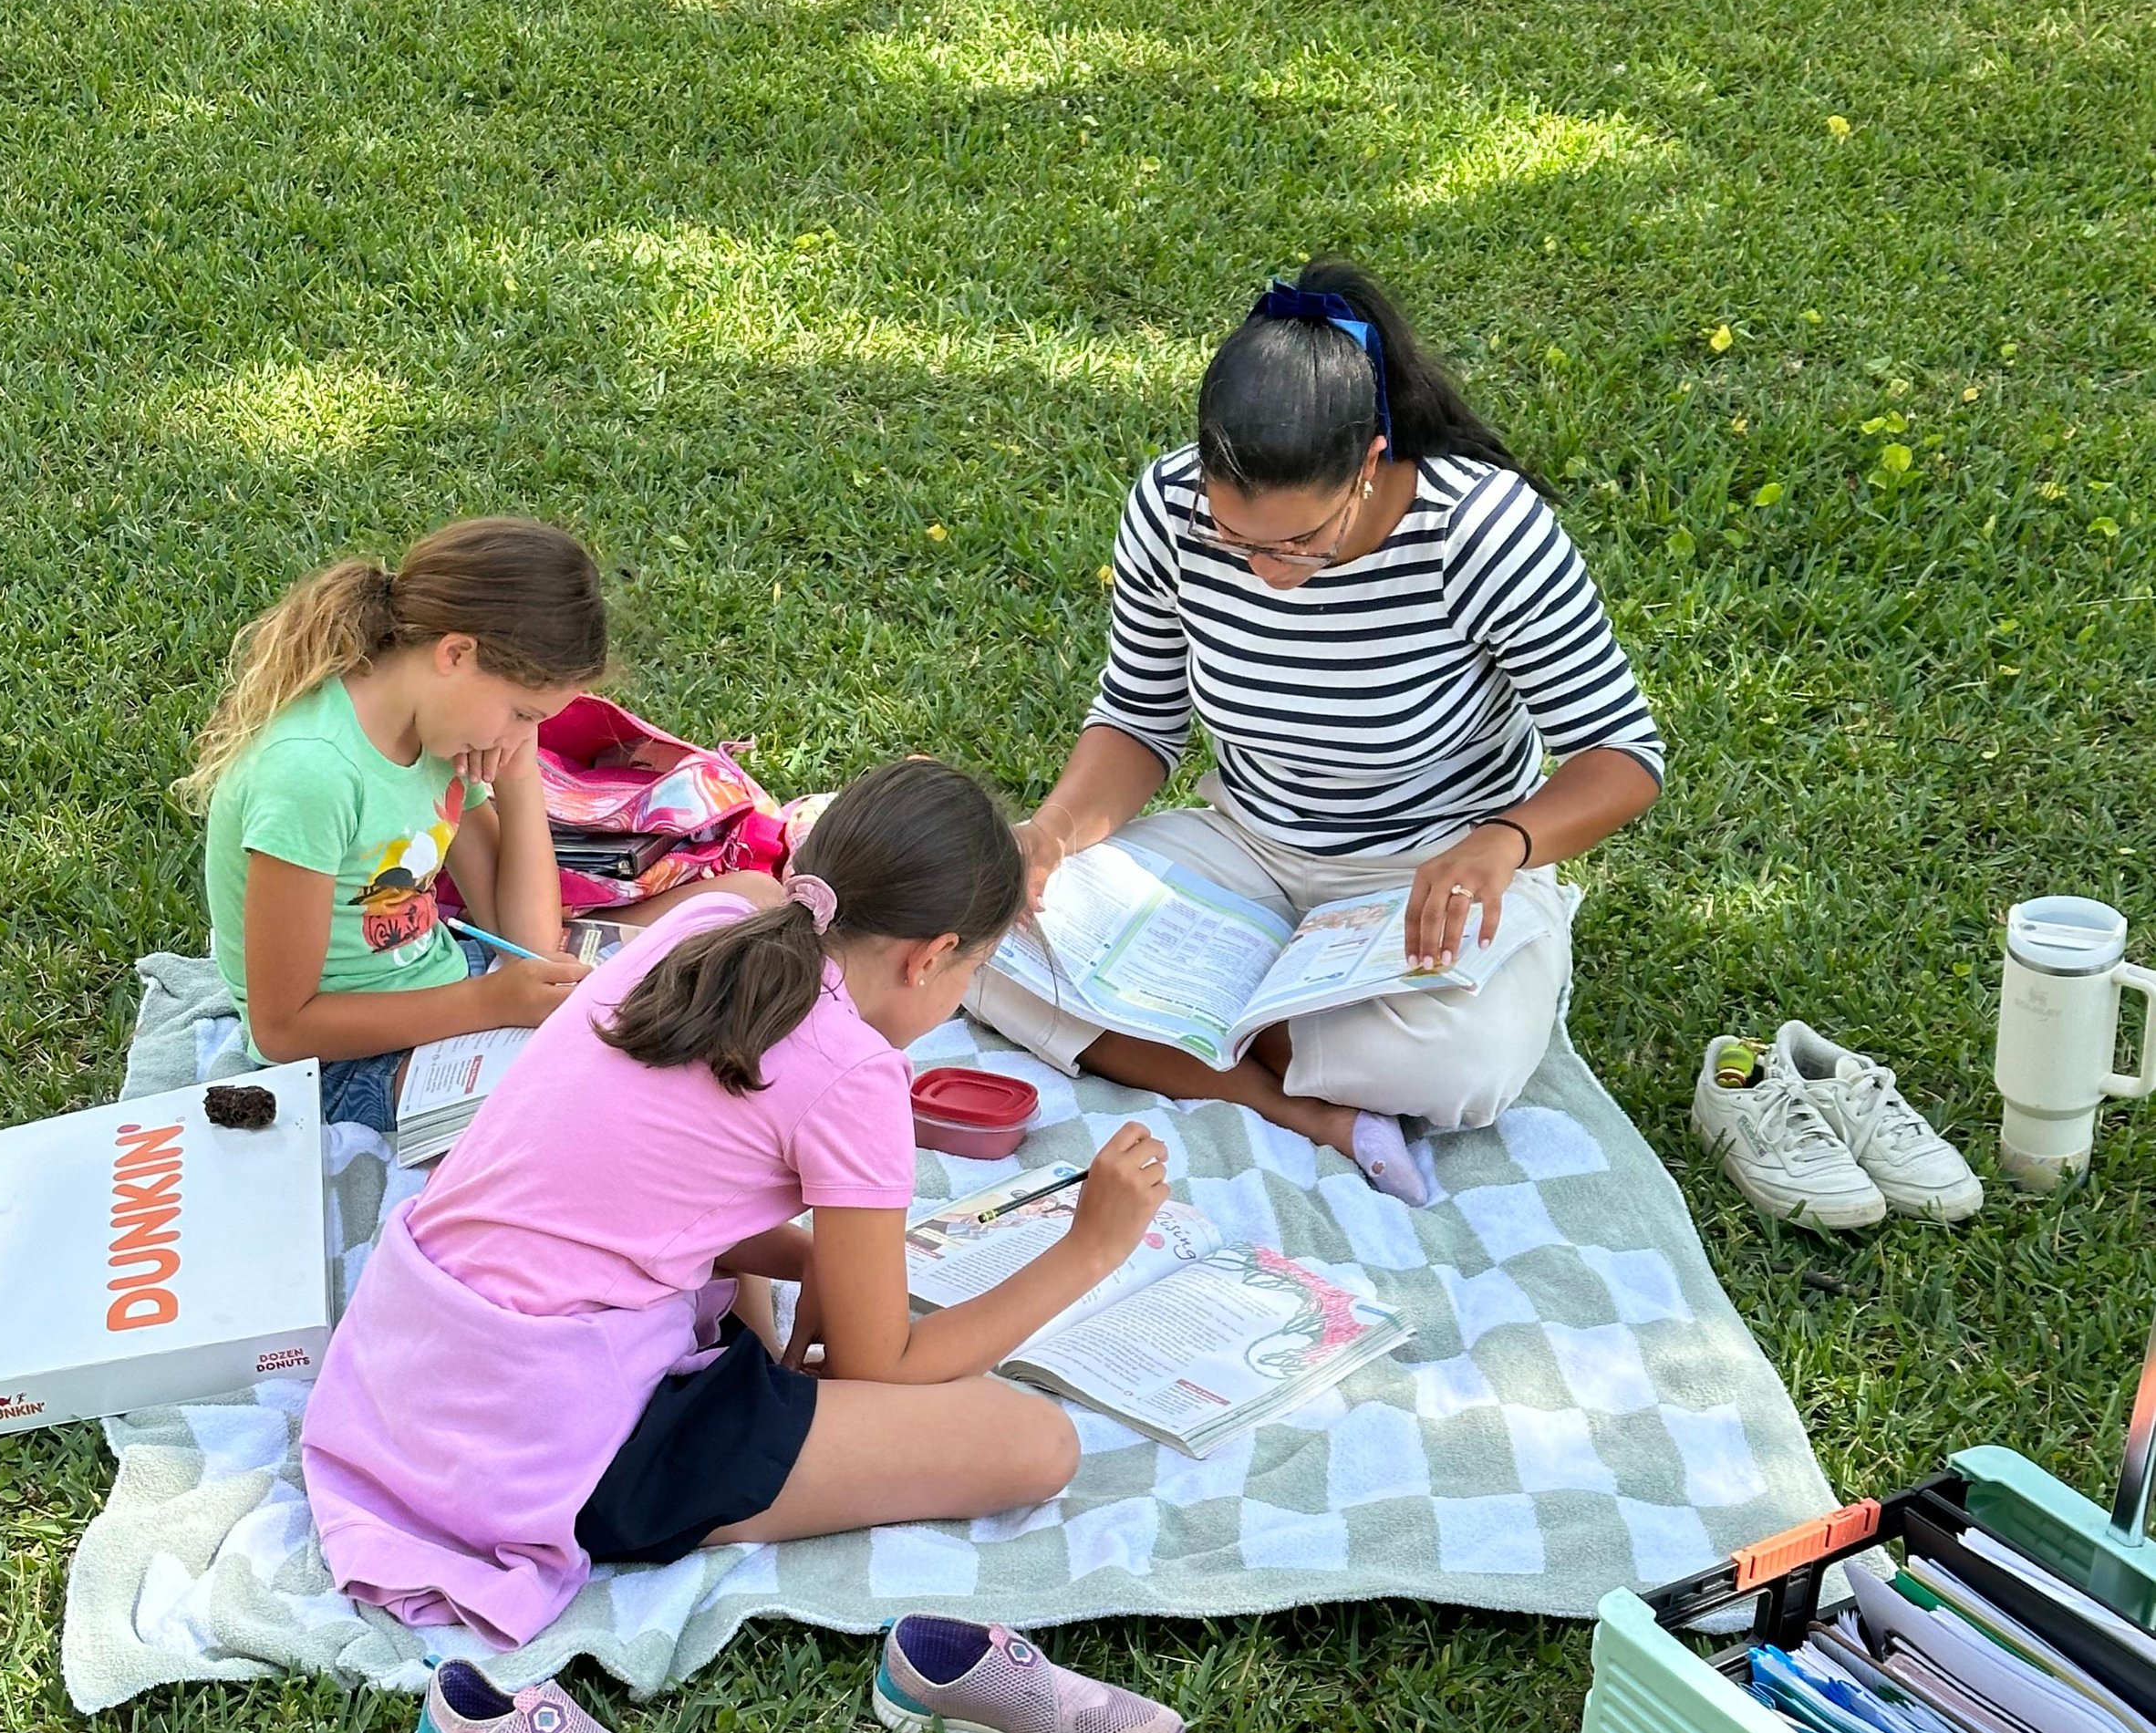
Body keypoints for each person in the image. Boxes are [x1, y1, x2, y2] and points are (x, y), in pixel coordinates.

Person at [300, 756, 1173, 1659]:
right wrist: (1089, 1250)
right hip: (538, 1445)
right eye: (974, 971)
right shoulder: (855, 1075)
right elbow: (885, 1364)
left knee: (747, 1297)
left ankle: (750, 1420)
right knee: (1034, 1442)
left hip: (411, 1363)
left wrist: (803, 1258)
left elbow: (634, 1174)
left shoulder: (714, 921)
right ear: (929, 957)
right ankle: (719, 1465)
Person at [971, 260, 1665, 1194]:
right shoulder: (1169, 507)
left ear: (1369, 463)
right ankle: (1297, 1106)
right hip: (1245, 848)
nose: (1265, 571)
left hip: (1432, 875)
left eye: (1301, 543)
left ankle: (1195, 1027)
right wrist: (1049, 836)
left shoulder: (1481, 530)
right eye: (1237, 540)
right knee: (977, 935)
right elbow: (1139, 719)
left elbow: (1622, 756)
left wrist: (1503, 844)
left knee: (1462, 1065)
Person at [181, 516, 603, 1131]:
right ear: (455, 653)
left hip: (440, 1002)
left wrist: (519, 773)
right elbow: (281, 1029)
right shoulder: (313, 775)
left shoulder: (436, 732)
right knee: (575, 1120)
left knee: (733, 908)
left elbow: (526, 938)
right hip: (341, 1064)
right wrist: (487, 1003)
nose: (515, 739)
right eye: (520, 714)